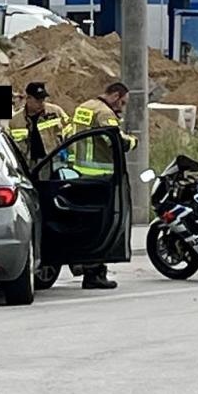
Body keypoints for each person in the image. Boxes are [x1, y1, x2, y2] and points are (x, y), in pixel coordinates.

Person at [68, 80, 137, 291]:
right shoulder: (105, 114)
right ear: (115, 96)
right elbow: (115, 142)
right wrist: (133, 141)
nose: (121, 107)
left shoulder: (84, 107)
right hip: (100, 176)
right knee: (101, 226)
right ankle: (94, 273)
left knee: (83, 223)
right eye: (122, 103)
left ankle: (80, 261)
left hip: (79, 172)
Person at [7, 81, 70, 166]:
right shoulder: (15, 121)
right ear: (28, 98)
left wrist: (68, 154)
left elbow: (70, 133)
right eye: (37, 100)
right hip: (29, 165)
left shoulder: (56, 112)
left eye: (43, 99)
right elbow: (10, 146)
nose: (41, 103)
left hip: (54, 161)